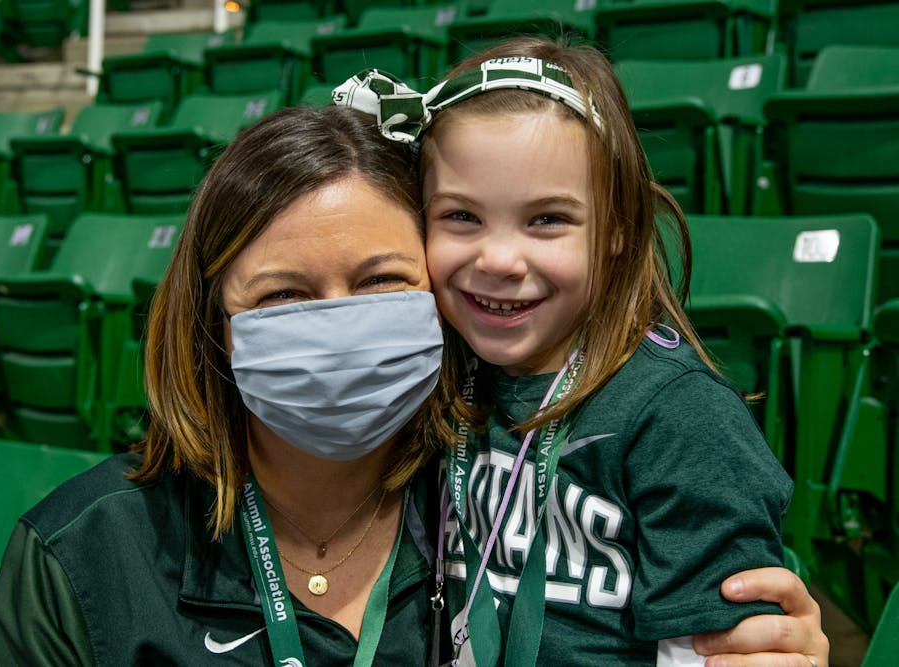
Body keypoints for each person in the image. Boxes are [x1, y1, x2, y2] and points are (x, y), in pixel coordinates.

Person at [0, 104, 828, 666]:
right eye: (283, 296)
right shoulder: (81, 557)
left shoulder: (509, 502)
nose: (338, 322)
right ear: (217, 328)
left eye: (385, 281)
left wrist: (772, 649)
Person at [334, 38, 827, 667]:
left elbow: (730, 651)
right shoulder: (435, 374)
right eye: (461, 216)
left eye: (546, 220)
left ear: (618, 227)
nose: (499, 260)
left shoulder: (679, 419)